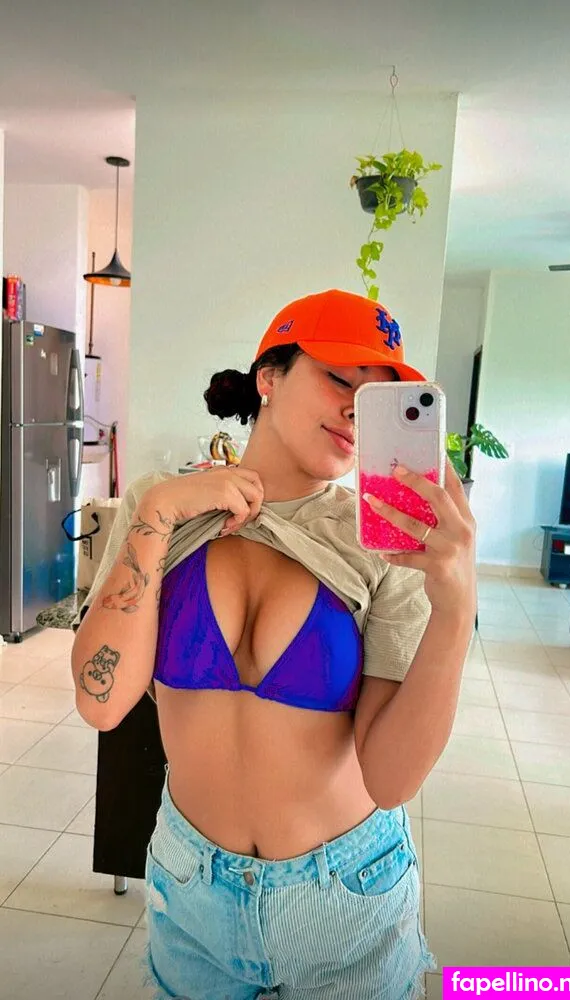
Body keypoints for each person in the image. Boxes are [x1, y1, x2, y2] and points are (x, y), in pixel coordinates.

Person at [72, 288, 476, 1000]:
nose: (354, 411)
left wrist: (456, 604)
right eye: (340, 379)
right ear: (269, 377)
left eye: (375, 400)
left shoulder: (384, 541)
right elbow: (100, 702)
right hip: (193, 890)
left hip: (345, 894)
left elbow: (391, 780)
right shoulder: (165, 505)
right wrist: (158, 512)